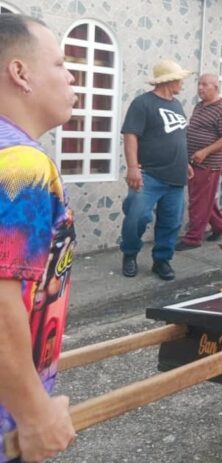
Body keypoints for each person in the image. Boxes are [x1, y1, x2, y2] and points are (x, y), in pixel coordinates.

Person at [0, 14, 77, 462]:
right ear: (20, 72)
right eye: (60, 62)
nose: (71, 76)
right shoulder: (21, 165)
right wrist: (34, 414)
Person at [119, 59, 193, 281]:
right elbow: (130, 135)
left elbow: (178, 137)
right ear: (169, 81)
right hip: (149, 174)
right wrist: (133, 167)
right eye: (180, 78)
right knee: (137, 217)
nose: (182, 82)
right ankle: (130, 254)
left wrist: (186, 162)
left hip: (176, 176)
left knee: (171, 222)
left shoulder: (177, 105)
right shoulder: (142, 103)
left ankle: (162, 260)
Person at [175, 74, 222, 250]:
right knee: (205, 199)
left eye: (205, 85)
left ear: (216, 87)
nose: (200, 88)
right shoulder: (200, 106)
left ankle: (193, 239)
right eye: (199, 84)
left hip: (208, 163)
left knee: (199, 201)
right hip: (194, 161)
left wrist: (204, 151)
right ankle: (221, 225)